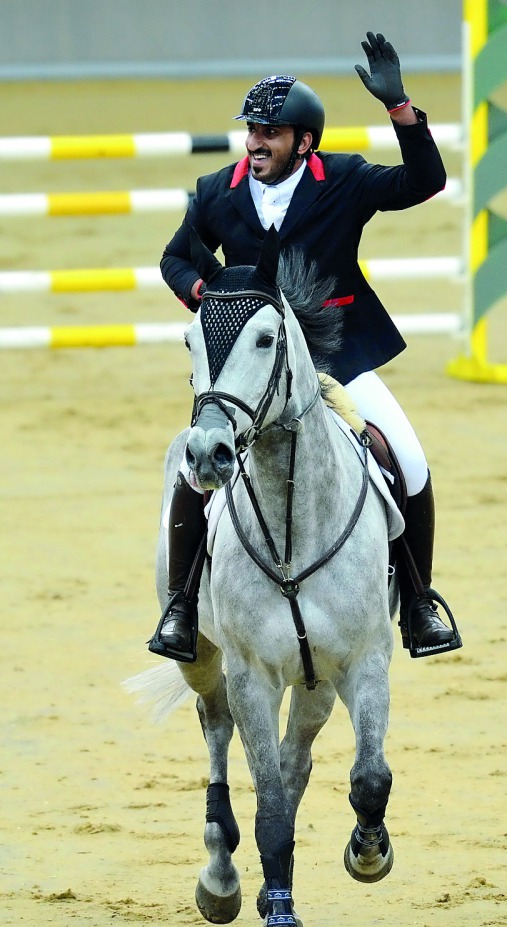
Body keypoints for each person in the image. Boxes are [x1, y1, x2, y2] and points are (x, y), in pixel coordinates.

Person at [149, 31, 461, 663]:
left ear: (304, 141)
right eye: (252, 130)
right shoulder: (218, 191)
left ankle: (421, 605)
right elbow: (175, 258)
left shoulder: (343, 180)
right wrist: (208, 294)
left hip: (335, 359)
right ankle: (182, 609)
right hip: (252, 364)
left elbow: (425, 181)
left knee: (411, 460)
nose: (255, 142)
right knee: (192, 469)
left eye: (270, 132)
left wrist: (401, 111)